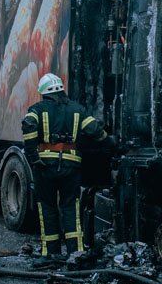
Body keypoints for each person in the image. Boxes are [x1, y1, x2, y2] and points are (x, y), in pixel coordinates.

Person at [22, 72, 114, 262]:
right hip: (71, 167)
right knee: (71, 207)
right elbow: (95, 131)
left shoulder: (37, 110)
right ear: (61, 89)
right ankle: (75, 252)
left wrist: (34, 159)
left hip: (45, 166)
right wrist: (112, 143)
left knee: (47, 207)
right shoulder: (77, 110)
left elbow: (28, 129)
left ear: (43, 92)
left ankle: (51, 253)